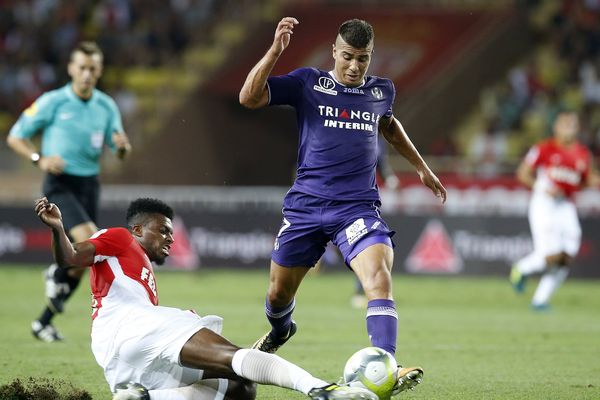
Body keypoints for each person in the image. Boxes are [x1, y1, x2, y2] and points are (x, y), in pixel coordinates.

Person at [239, 17, 447, 394]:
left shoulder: (382, 91)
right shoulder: (308, 83)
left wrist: (421, 166)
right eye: (348, 56)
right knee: (277, 295)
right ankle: (281, 330)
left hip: (357, 209)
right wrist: (275, 51)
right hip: (305, 207)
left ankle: (387, 365)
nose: (354, 66)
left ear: (371, 57)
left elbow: (388, 124)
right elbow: (249, 98)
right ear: (334, 51)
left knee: (379, 280)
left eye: (363, 59)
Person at [34, 196, 378, 400]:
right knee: (233, 358)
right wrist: (58, 229)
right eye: (163, 229)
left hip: (120, 356)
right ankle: (325, 390)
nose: (170, 238)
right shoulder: (120, 237)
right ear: (138, 229)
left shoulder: (138, 273)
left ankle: (148, 397)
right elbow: (70, 258)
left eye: (171, 231)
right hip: (129, 327)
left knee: (240, 389)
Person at [7, 41, 132, 342]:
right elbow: (15, 136)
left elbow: (120, 147)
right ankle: (57, 275)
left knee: (83, 258)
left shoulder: (106, 106)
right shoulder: (53, 101)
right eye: (82, 67)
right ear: (71, 69)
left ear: (99, 71)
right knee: (92, 241)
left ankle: (43, 321)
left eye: (93, 68)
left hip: (90, 186)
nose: (87, 74)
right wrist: (40, 159)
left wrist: (123, 147)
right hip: (60, 183)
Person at [509, 110, 600, 310]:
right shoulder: (544, 148)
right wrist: (543, 187)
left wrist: (591, 182)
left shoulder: (583, 154)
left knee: (567, 255)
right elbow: (523, 173)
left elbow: (586, 180)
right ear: (556, 127)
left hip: (566, 205)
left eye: (572, 124)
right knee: (551, 255)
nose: (568, 128)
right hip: (544, 203)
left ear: (577, 128)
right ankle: (521, 269)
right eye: (564, 124)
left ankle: (540, 301)